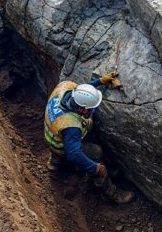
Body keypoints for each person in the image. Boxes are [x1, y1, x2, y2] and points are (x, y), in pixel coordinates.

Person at [44, 71, 134, 204]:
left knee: (62, 145)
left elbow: (81, 90)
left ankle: (54, 164)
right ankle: (110, 193)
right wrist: (95, 167)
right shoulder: (71, 126)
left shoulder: (64, 87)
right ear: (82, 109)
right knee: (96, 152)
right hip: (62, 145)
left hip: (52, 135)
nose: (92, 110)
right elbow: (73, 154)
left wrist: (100, 81)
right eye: (91, 108)